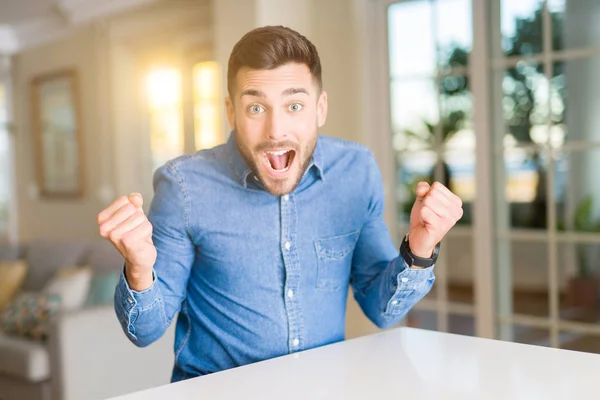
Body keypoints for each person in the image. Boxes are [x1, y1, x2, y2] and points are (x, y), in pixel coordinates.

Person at [97, 25, 463, 382]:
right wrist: (140, 269)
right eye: (256, 108)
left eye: (294, 105)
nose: (275, 130)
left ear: (320, 108)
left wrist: (420, 248)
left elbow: (382, 310)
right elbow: (143, 332)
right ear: (231, 112)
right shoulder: (184, 185)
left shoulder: (356, 170)